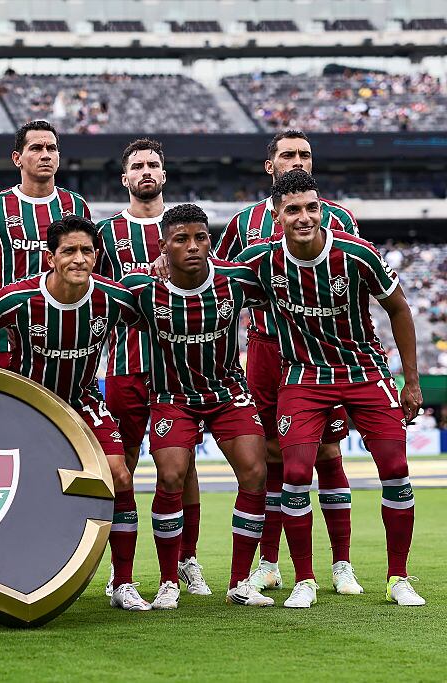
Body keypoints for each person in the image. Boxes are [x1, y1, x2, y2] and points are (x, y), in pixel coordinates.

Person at [236, 170, 425, 608]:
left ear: (321, 208)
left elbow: (399, 308)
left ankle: (399, 576)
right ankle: (305, 578)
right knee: (297, 474)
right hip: (303, 374)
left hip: (363, 371)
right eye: (294, 210)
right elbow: (213, 280)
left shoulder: (357, 254)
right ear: (277, 216)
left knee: (396, 469)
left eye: (312, 207)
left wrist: (410, 380)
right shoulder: (260, 261)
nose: (305, 217)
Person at [0, 215, 154, 611]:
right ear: (50, 257)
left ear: (97, 256)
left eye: (87, 251)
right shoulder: (19, 298)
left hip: (81, 399)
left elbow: (152, 319)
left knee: (119, 475)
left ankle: (122, 583)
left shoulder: (113, 298)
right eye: (69, 251)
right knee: (14, 488)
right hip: (28, 407)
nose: (79, 259)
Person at [216, 130, 360, 594]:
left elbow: (355, 284)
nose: (297, 161)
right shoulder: (243, 224)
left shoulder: (338, 217)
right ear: (269, 165)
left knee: (327, 451)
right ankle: (271, 563)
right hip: (264, 349)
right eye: (287, 155)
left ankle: (342, 565)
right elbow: (219, 286)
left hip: (321, 353)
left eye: (304, 154)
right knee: (273, 455)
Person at [120, 204, 272, 609]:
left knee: (256, 472)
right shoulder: (142, 290)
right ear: (163, 246)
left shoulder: (236, 281)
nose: (192, 246)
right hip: (172, 397)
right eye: (181, 239)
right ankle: (169, 580)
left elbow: (284, 286)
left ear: (210, 241)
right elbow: (96, 308)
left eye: (200, 237)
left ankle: (240, 581)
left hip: (227, 393)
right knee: (170, 476)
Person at [96, 138, 208, 596]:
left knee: (183, 468)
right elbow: (95, 296)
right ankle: (120, 574)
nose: (146, 171)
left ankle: (187, 560)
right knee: (121, 468)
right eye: (137, 166)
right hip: (125, 366)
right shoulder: (105, 234)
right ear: (126, 179)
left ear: (164, 175)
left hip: (179, 370)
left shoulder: (188, 229)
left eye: (154, 165)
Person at [0, 120, 92, 368]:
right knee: (6, 408)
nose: (46, 155)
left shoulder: (76, 206)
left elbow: (90, 267)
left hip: (63, 339)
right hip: (5, 341)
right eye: (36, 148)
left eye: (52, 148)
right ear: (17, 158)